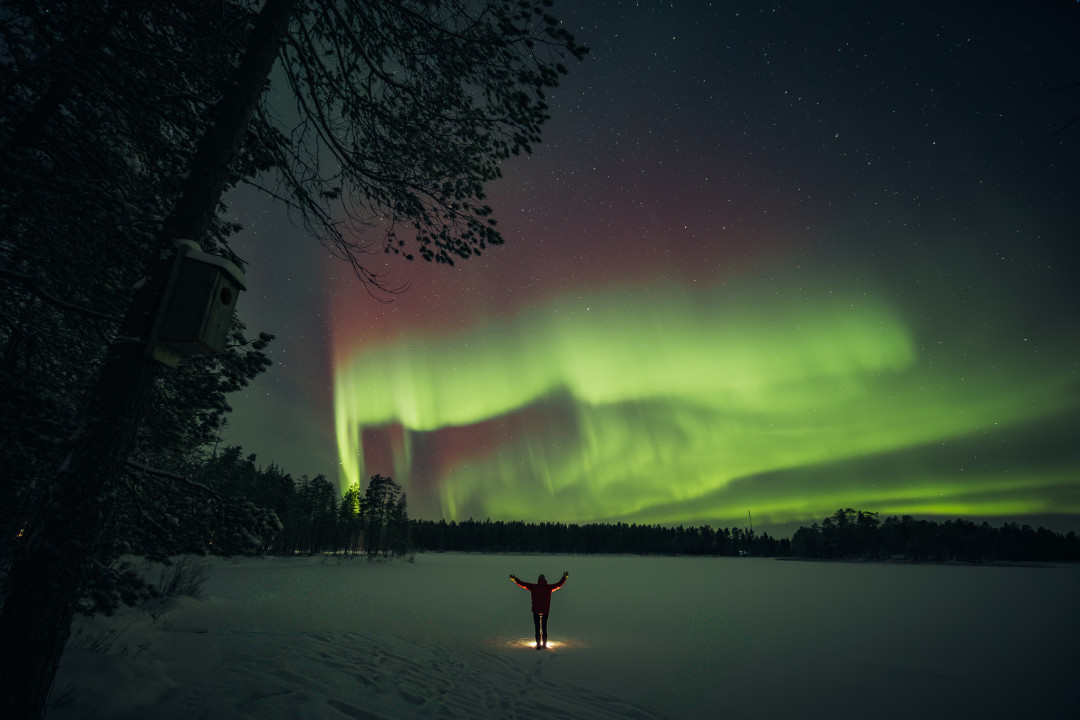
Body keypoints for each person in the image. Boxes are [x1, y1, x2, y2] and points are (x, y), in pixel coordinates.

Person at [510, 570, 569, 649]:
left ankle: (538, 645)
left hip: (536, 611)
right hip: (545, 611)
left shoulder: (534, 587)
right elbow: (559, 585)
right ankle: (544, 645)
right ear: (545, 580)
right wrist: (564, 577)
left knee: (537, 628)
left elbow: (523, 584)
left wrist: (515, 579)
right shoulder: (549, 588)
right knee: (544, 627)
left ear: (538, 580)